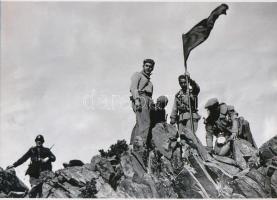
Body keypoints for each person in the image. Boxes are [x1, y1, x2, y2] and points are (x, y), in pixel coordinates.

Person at [130, 59, 155, 146]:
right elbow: (133, 88)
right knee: (145, 123)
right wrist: (137, 100)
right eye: (146, 66)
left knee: (140, 123)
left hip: (148, 101)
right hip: (141, 99)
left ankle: (133, 144)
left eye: (150, 67)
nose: (148, 68)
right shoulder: (138, 75)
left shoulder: (150, 82)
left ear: (152, 68)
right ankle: (141, 145)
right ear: (143, 66)